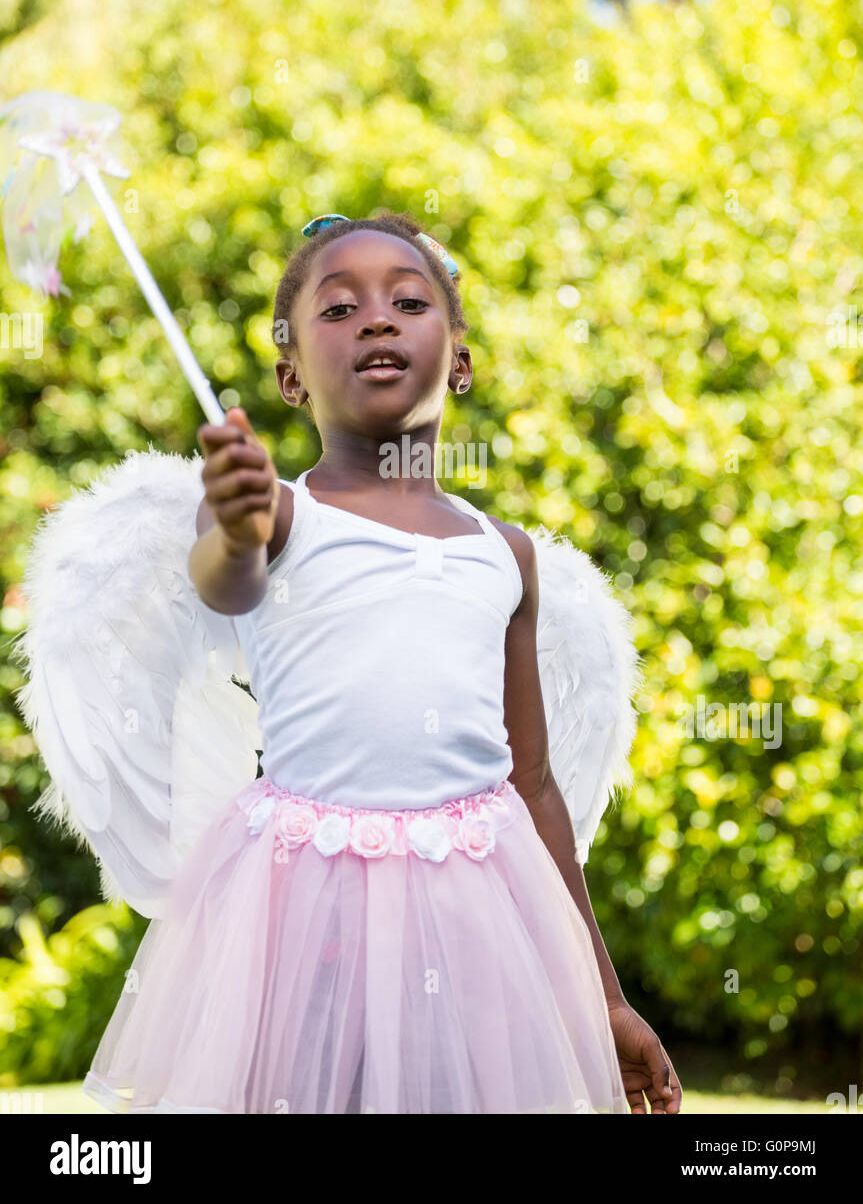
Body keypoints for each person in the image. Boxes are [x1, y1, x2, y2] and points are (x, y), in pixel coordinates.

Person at [80, 209, 682, 1114]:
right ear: (291, 376)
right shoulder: (277, 517)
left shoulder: (504, 553)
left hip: (475, 907)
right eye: (338, 309)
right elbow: (225, 583)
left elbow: (535, 781)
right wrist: (235, 526)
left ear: (462, 360)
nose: (376, 319)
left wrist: (602, 995)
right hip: (299, 908)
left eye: (408, 301)